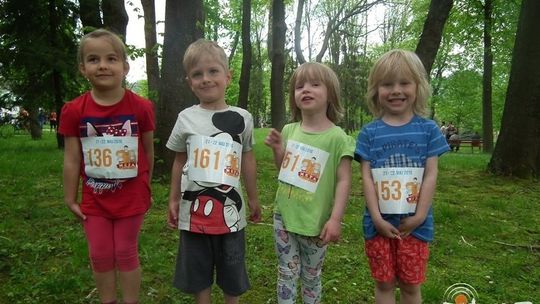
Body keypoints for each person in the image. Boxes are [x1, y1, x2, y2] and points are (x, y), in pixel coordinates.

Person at [59, 29, 155, 304]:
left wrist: (145, 186)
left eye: (111, 58)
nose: (102, 65)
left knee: (126, 251)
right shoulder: (74, 110)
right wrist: (70, 197)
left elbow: (147, 150)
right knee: (99, 253)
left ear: (125, 67)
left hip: (131, 196)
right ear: (82, 68)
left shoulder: (141, 107)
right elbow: (72, 158)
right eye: (93, 59)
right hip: (95, 198)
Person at [166, 38, 262, 304]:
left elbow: (248, 160)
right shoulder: (186, 118)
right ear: (189, 81)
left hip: (231, 214)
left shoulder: (243, 118)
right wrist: (173, 199)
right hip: (193, 214)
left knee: (232, 271)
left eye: (213, 71)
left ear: (228, 77)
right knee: (198, 271)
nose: (206, 79)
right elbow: (178, 161)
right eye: (197, 74)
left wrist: (253, 198)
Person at [354, 49, 449, 304]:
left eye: (404, 83)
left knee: (410, 286)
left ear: (418, 87)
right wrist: (376, 218)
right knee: (384, 284)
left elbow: (431, 175)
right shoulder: (369, 134)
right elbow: (367, 179)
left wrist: (419, 216)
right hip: (378, 225)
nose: (396, 90)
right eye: (387, 84)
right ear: (376, 90)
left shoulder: (428, 130)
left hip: (416, 228)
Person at [265, 62, 354, 304]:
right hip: (284, 215)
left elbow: (344, 180)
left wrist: (335, 219)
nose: (306, 89)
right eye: (299, 86)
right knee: (286, 272)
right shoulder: (289, 130)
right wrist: (277, 149)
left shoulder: (337, 138)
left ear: (330, 95)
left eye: (315, 84)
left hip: (316, 222)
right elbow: (284, 169)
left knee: (311, 276)